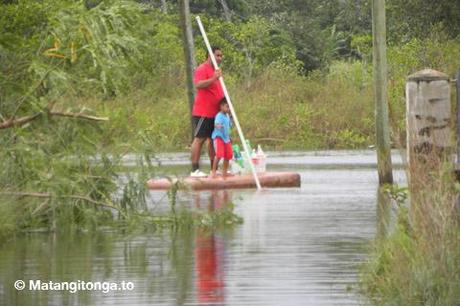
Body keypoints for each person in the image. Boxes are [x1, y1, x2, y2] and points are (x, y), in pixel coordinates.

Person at [190, 46, 224, 177]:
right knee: (199, 139)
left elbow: (218, 90)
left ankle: (213, 169)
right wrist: (213, 78)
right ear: (210, 55)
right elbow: (198, 85)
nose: (220, 58)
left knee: (213, 139)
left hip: (216, 113)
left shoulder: (216, 70)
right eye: (218, 55)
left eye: (221, 55)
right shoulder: (202, 68)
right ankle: (195, 170)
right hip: (203, 112)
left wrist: (226, 107)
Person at [211, 98, 233, 179]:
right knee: (219, 155)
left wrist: (229, 136)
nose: (229, 109)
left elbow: (229, 126)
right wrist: (218, 125)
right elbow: (216, 123)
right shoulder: (219, 115)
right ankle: (213, 171)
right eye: (227, 106)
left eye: (229, 107)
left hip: (226, 138)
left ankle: (224, 172)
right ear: (221, 106)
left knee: (228, 155)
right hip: (219, 137)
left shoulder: (227, 116)